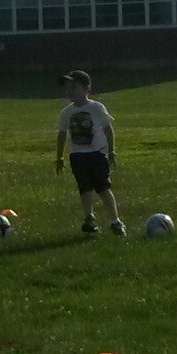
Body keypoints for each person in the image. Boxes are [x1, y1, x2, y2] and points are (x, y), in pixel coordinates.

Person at [55, 70, 127, 236]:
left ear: (86, 89)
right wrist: (59, 157)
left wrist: (111, 151)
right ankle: (89, 217)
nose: (70, 91)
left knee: (103, 188)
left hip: (97, 154)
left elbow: (108, 130)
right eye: (67, 89)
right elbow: (62, 133)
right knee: (84, 188)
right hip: (78, 156)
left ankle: (115, 221)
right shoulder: (67, 112)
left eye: (74, 87)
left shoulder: (96, 108)